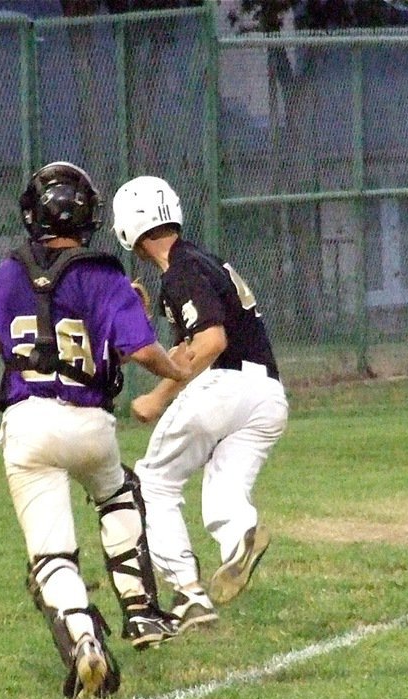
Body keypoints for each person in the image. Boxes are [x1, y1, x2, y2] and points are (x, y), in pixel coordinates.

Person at [0, 162, 192, 699]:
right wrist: (176, 372)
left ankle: (83, 633)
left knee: (52, 555)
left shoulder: (9, 271)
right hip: (90, 422)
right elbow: (139, 349)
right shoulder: (103, 273)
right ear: (91, 214)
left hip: (27, 424)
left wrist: (32, 338)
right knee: (116, 496)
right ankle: (140, 611)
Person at [111, 175, 288, 632]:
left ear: (128, 228)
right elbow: (189, 348)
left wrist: (157, 396)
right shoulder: (203, 262)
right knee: (224, 490)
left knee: (154, 480)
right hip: (267, 395)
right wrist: (145, 330)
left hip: (226, 387)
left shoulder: (181, 271)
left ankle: (188, 595)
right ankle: (238, 539)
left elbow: (210, 342)